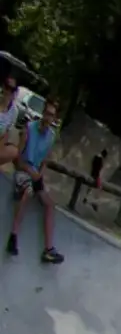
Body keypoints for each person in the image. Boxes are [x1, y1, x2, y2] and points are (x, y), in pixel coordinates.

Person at [9, 96, 65, 263]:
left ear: (54, 119)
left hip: (35, 175)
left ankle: (48, 249)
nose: (48, 118)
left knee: (49, 204)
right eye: (46, 114)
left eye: (51, 115)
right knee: (27, 191)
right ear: (42, 113)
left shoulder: (51, 136)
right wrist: (29, 171)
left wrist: (39, 175)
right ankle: (13, 236)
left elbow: (45, 161)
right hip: (22, 171)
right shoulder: (28, 129)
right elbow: (17, 160)